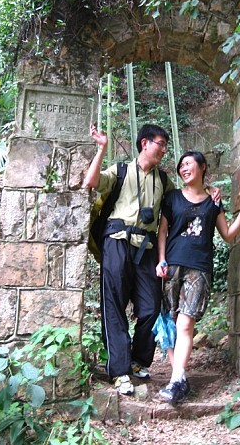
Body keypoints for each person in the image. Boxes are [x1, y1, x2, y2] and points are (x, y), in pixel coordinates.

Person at [83, 123, 175, 395]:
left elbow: (179, 205)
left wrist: (209, 194)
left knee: (151, 307)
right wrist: (102, 148)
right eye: (161, 144)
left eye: (165, 145)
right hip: (116, 241)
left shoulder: (164, 181)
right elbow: (92, 182)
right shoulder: (121, 171)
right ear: (145, 143)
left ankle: (138, 360)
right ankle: (120, 370)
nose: (164, 150)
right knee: (114, 305)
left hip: (146, 247)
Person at [156, 150, 240, 405]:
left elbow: (228, 235)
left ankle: (176, 379)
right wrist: (161, 259)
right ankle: (179, 378)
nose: (184, 168)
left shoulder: (213, 202)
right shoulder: (172, 197)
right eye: (181, 165)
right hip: (173, 266)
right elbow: (163, 231)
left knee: (185, 323)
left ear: (203, 167)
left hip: (199, 267)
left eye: (189, 164)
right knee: (172, 323)